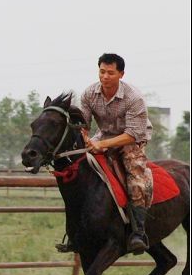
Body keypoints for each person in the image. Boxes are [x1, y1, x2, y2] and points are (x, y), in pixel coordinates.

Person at [63, 53, 152, 255]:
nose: (105, 76)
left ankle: (138, 232)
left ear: (121, 74)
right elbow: (83, 124)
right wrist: (86, 138)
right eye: (102, 71)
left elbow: (133, 133)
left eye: (110, 73)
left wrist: (102, 144)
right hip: (103, 136)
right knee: (80, 166)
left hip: (132, 140)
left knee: (136, 177)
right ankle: (75, 231)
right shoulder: (88, 94)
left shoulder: (134, 98)